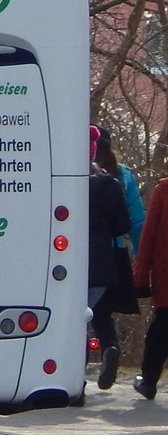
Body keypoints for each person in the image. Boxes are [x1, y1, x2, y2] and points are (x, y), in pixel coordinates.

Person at [91, 126, 144, 389]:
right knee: (102, 312)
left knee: (75, 312)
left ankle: (74, 367)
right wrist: (141, 260)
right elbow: (135, 221)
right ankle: (109, 347)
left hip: (79, 253)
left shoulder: (77, 174)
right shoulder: (122, 176)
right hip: (113, 254)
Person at [87, 125, 130, 394]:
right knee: (101, 314)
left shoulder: (63, 181)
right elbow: (122, 224)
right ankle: (110, 346)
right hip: (102, 262)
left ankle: (74, 382)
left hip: (67, 262)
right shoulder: (110, 184)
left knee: (73, 320)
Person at [133, 174, 168, 399]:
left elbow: (148, 236)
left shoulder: (164, 190)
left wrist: (140, 278)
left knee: (162, 328)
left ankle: (149, 380)